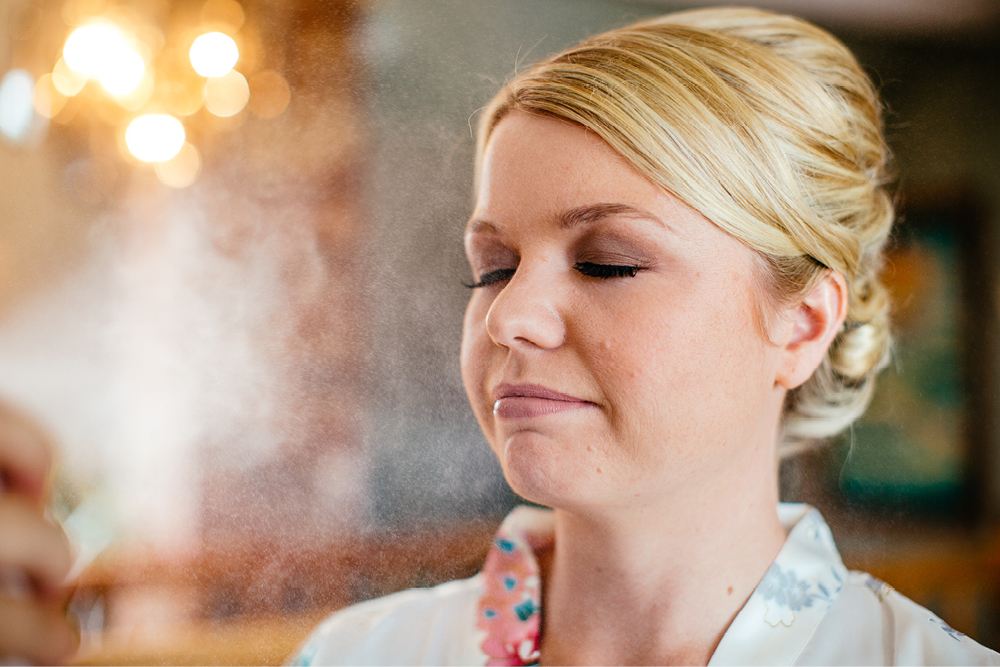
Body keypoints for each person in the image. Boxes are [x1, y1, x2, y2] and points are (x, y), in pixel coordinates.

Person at [0, 6, 997, 666]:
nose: (510, 316)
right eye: (493, 265)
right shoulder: (360, 657)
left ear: (801, 322)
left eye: (607, 261)